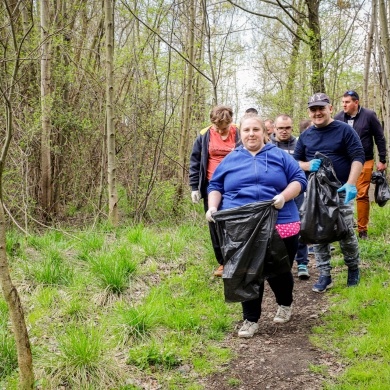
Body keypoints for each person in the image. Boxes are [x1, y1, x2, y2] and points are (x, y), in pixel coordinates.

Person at [206, 114, 307, 338]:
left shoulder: (280, 156)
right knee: (247, 271)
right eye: (246, 130)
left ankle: (285, 302)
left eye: (256, 130)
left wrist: (283, 196)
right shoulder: (231, 159)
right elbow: (215, 185)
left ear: (264, 132)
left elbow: (299, 180)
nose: (251, 134)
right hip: (242, 226)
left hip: (282, 221)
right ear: (240, 134)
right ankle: (250, 319)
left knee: (279, 270)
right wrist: (212, 207)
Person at [294, 93, 365, 293]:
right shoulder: (306, 136)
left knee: (346, 231)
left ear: (330, 108)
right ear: (309, 111)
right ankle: (325, 275)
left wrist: (351, 183)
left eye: (321, 108)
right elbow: (295, 162)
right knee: (318, 233)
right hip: (316, 193)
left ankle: (353, 268)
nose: (317, 113)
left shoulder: (344, 130)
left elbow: (358, 155)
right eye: (313, 109)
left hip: (341, 189)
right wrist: (307, 165)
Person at [189, 105, 240, 277]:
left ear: (230, 122)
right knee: (214, 223)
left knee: (235, 223)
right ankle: (223, 262)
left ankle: (238, 259)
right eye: (217, 127)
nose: (220, 130)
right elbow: (195, 162)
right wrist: (194, 187)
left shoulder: (239, 133)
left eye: (224, 127)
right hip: (211, 185)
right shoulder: (204, 135)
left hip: (235, 185)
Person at [334, 90, 387, 240]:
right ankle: (343, 226)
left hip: (365, 159)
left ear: (356, 102)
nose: (344, 105)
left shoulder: (369, 115)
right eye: (343, 102)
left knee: (362, 194)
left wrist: (382, 159)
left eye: (347, 102)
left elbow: (379, 137)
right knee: (342, 193)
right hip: (344, 161)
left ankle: (362, 230)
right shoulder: (338, 118)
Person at [271, 114, 309, 279]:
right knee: (275, 228)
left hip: (297, 190)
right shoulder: (268, 145)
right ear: (274, 129)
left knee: (299, 225)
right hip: (275, 193)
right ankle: (277, 262)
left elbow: (307, 164)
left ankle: (302, 262)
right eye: (280, 128)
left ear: (291, 128)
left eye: (287, 128)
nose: (284, 131)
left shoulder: (299, 143)